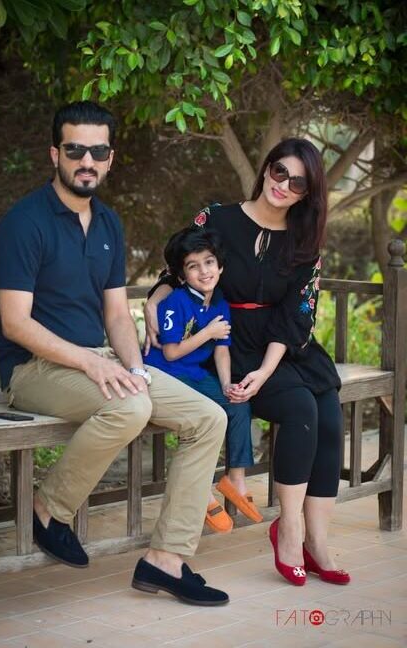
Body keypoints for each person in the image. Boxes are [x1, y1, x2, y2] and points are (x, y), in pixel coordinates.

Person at [0, 100, 229, 606]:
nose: (87, 160)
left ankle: (165, 560)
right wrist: (92, 363)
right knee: (130, 406)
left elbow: (118, 316)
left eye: (97, 151)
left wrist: (135, 367)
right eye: (75, 149)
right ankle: (46, 509)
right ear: (54, 153)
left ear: (110, 157)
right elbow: (16, 322)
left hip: (98, 358)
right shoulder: (25, 221)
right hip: (34, 369)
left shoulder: (108, 224)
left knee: (209, 417)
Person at [144, 138, 349, 586]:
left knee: (329, 413)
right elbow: (176, 269)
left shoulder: (303, 239)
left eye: (298, 182)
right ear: (266, 168)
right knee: (300, 409)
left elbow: (299, 313)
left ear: (306, 193)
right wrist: (152, 302)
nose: (284, 186)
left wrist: (266, 369)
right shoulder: (217, 217)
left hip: (279, 346)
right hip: (225, 340)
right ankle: (289, 530)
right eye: (280, 172)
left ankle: (316, 538)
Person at [143, 226, 262, 534]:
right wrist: (206, 333)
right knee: (208, 419)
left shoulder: (220, 303)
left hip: (195, 375)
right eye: (193, 266)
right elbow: (170, 353)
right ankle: (202, 492)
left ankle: (234, 478)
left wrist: (225, 385)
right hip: (166, 375)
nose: (204, 271)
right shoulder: (175, 302)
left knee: (237, 404)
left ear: (220, 266)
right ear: (182, 276)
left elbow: (222, 352)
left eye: (209, 262)